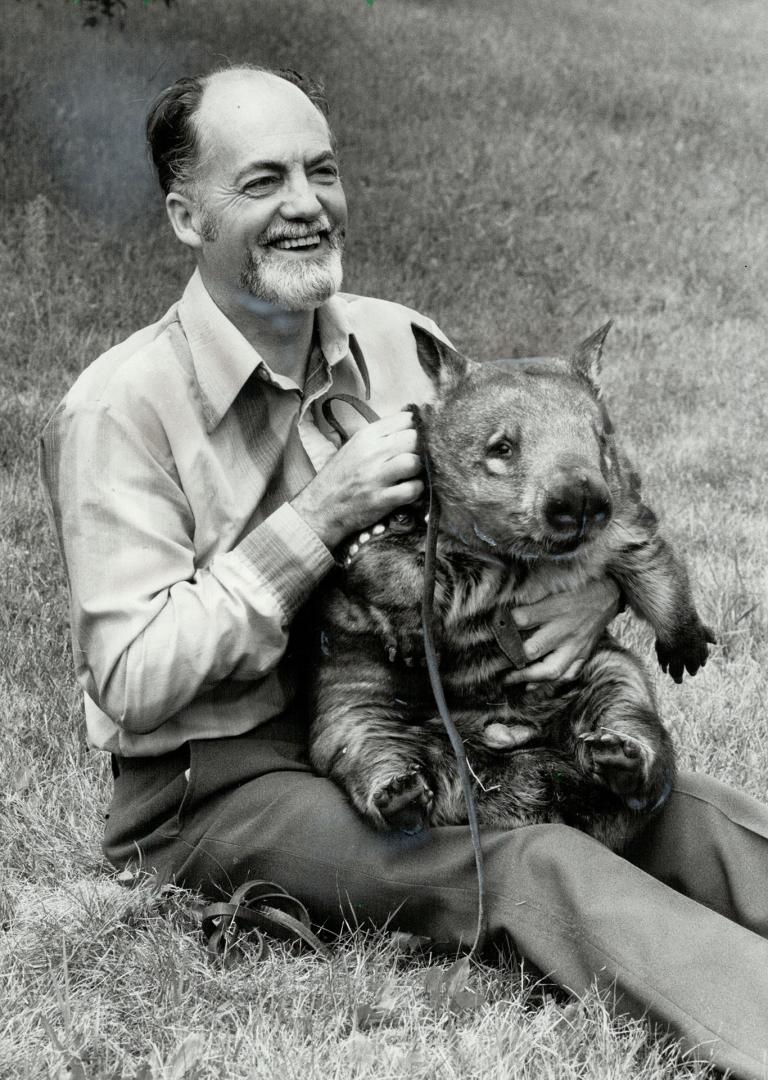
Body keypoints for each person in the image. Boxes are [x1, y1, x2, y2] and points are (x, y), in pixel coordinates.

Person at [40, 64, 768, 1079]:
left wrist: (593, 584)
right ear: (184, 215)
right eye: (261, 183)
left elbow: (543, 494)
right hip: (228, 780)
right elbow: (130, 678)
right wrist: (317, 520)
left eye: (321, 170)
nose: (305, 204)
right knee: (526, 861)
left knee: (676, 807)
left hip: (452, 718)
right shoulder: (121, 408)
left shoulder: (404, 344)